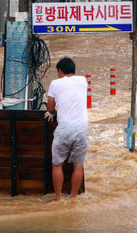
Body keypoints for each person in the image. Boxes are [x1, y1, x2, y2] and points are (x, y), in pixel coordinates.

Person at [45, 57, 88, 201]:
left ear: (60, 71)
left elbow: (50, 108)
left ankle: (58, 198)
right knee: (78, 165)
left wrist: (52, 113)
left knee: (57, 165)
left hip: (64, 128)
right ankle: (73, 198)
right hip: (82, 128)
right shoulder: (83, 81)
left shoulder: (55, 83)